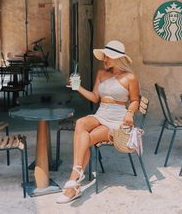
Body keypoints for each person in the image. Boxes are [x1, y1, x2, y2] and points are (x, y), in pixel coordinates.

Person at [56, 40, 140, 204]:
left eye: (107, 57)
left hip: (117, 120)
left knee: (86, 138)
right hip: (101, 114)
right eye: (104, 57)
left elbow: (135, 100)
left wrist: (130, 113)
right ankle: (77, 175)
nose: (104, 60)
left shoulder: (130, 77)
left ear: (117, 58)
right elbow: (95, 97)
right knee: (81, 123)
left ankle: (73, 185)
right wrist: (78, 87)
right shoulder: (102, 73)